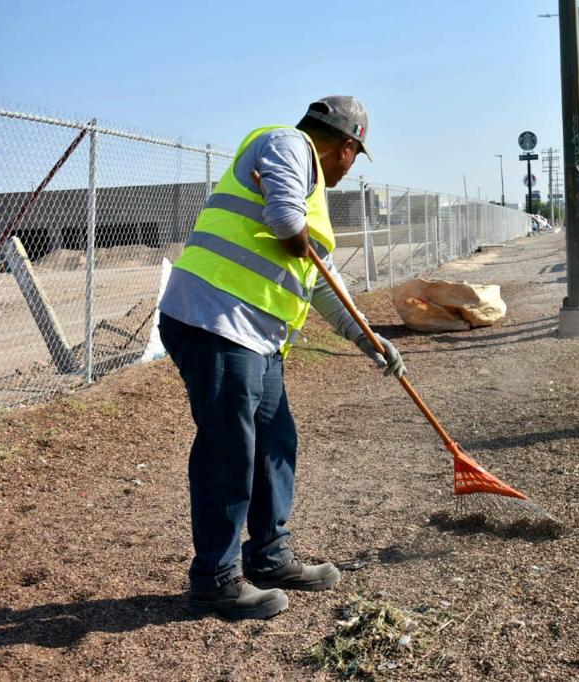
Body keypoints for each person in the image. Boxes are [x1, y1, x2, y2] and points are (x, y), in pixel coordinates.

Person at [157, 96, 406, 620]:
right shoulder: (286, 144)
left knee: (276, 440)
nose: (352, 165)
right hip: (214, 319)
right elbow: (285, 219)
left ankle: (269, 557)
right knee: (231, 449)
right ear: (346, 146)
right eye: (356, 155)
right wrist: (295, 233)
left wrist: (370, 341)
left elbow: (323, 284)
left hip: (256, 337)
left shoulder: (312, 191)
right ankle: (215, 580)